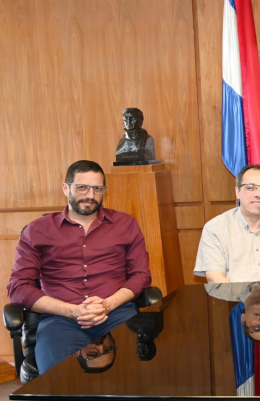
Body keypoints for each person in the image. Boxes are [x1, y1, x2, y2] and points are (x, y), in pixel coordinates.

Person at [6, 160, 152, 375]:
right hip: (61, 320)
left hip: (117, 314)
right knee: (58, 383)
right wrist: (72, 310)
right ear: (66, 188)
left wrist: (109, 304)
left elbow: (141, 275)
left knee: (139, 375)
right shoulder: (38, 231)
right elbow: (18, 288)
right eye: (82, 187)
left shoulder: (125, 224)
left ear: (104, 191)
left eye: (97, 189)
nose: (90, 196)